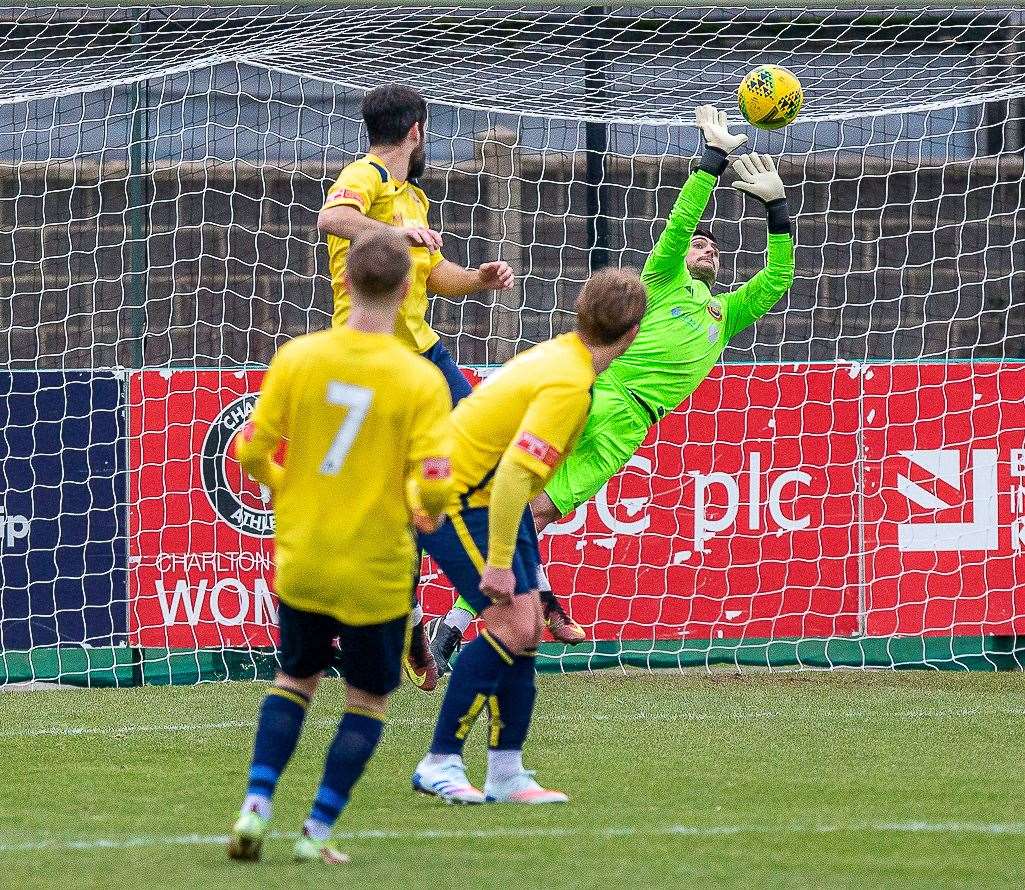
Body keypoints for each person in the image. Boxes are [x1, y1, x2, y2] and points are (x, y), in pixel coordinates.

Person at [427, 105, 796, 674]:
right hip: (593, 397)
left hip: (627, 423)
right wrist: (711, 162)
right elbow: (676, 230)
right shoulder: (660, 282)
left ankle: (459, 622)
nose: (707, 249)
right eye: (700, 246)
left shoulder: (725, 313)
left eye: (714, 247)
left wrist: (776, 210)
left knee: (533, 512)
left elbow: (778, 280)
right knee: (521, 501)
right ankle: (488, 611)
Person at [227, 228, 453, 864]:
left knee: (294, 678)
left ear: (345, 282)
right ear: (409, 289)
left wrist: (284, 487)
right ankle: (317, 832)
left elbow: (247, 448)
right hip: (376, 567)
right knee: (368, 698)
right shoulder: (419, 379)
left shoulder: (299, 358)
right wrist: (425, 512)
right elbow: (436, 477)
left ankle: (255, 807)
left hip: (304, 555)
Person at [411, 268, 647, 804]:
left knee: (527, 627)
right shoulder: (570, 383)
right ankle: (440, 760)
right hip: (456, 495)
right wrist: (498, 562)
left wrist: (532, 574)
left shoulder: (563, 356)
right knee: (511, 623)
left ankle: (506, 772)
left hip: (485, 492)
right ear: (631, 333)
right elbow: (518, 473)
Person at [317, 82, 513, 691]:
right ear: (417, 132)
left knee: (491, 461)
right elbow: (332, 217)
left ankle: (472, 605)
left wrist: (477, 278)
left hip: (425, 353)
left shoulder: (415, 199)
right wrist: (392, 236)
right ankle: (393, 622)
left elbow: (437, 279)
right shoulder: (366, 175)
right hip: (372, 359)